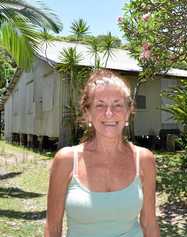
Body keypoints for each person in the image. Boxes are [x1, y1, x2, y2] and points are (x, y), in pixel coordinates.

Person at [44, 69, 160, 237]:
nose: (109, 113)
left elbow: (149, 224)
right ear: (87, 113)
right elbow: (53, 228)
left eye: (117, 104)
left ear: (128, 112)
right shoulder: (67, 160)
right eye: (100, 105)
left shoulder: (144, 159)